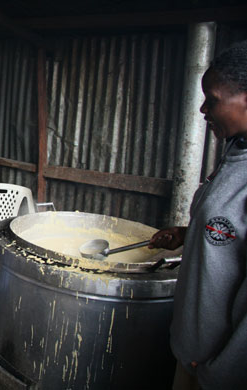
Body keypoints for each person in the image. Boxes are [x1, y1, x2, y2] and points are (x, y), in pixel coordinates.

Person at [149, 40, 247, 389]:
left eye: (214, 99)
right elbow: (232, 232)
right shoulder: (235, 154)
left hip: (220, 371)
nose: (204, 109)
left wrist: (222, 371)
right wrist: (190, 234)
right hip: (195, 352)